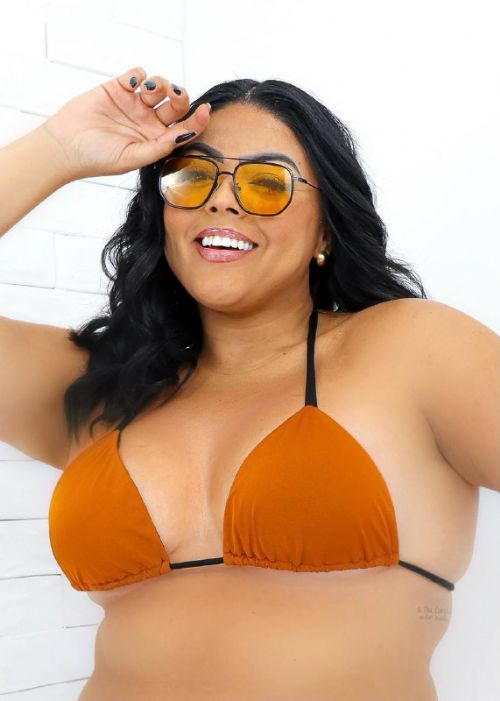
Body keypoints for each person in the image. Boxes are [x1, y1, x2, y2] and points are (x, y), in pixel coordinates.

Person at [0, 66, 498, 701]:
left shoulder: (411, 350)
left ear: (325, 229)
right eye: (193, 176)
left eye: (268, 183)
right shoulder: (99, 389)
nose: (222, 200)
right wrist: (58, 149)